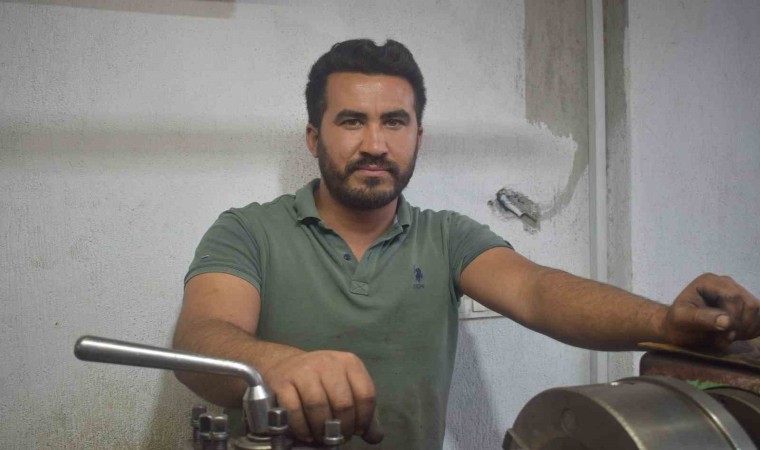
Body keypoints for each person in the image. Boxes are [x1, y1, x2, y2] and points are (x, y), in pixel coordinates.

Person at [172, 39, 760, 449]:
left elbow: (538, 291)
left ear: (418, 135)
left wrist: (666, 323)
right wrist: (279, 365)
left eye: (394, 122)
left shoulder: (447, 236)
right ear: (313, 136)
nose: (375, 144)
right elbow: (199, 337)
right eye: (352, 121)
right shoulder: (248, 230)